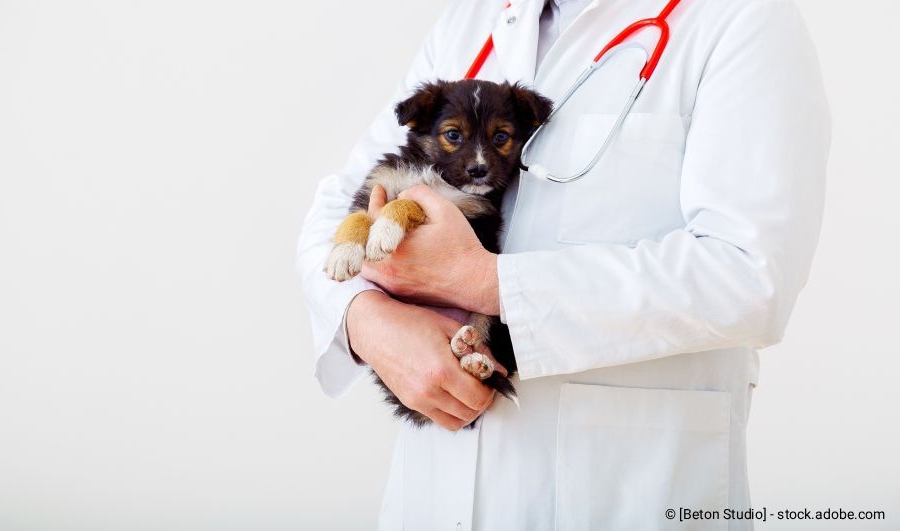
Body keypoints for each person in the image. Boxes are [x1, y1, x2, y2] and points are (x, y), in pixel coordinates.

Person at [296, 0, 829, 529]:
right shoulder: (471, 19)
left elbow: (751, 274)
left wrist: (487, 284)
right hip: (437, 492)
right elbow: (343, 204)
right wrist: (368, 320)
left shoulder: (745, 18)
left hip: (627, 486)